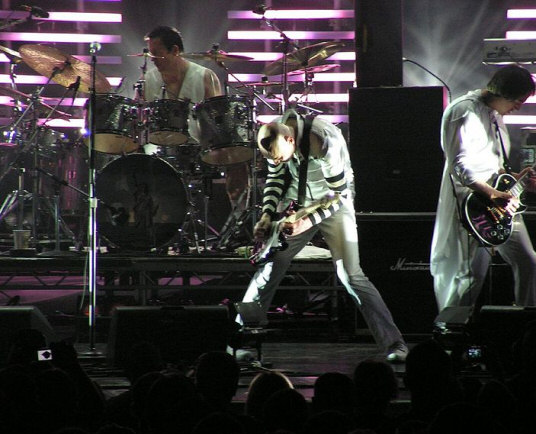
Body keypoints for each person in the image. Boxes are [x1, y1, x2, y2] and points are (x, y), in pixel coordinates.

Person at [242, 109, 408, 363]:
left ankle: (394, 343)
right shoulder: (273, 136)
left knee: (351, 275)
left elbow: (337, 195)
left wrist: (307, 220)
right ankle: (240, 339)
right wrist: (266, 215)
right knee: (270, 265)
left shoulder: (324, 138)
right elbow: (276, 178)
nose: (276, 162)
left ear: (290, 140)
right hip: (298, 201)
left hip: (334, 201)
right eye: (271, 159)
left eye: (279, 158)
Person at [430, 64, 536, 311]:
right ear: (504, 93)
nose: (519, 106)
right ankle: (449, 336)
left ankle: (528, 323)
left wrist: (516, 179)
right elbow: (460, 167)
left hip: (500, 205)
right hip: (473, 206)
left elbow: (494, 166)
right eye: (518, 100)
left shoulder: (495, 116)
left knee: (528, 261)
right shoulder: (463, 112)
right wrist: (493, 194)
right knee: (469, 278)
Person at [140, 26, 250, 231]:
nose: (152, 59)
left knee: (238, 161)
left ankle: (240, 225)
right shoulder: (149, 79)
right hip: (160, 147)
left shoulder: (204, 76)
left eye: (156, 54)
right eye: (150, 54)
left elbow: (220, 120)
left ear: (174, 50)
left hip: (200, 146)